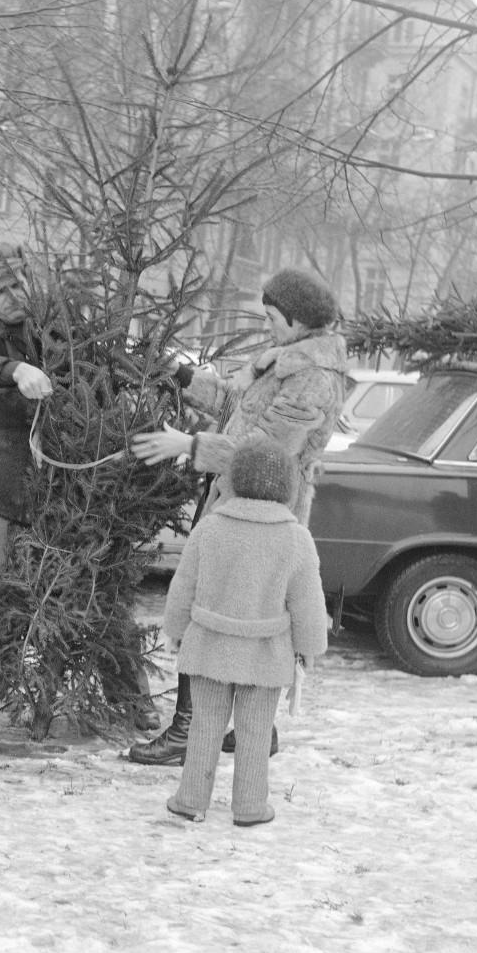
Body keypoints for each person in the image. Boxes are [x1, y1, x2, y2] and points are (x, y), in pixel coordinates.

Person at [127, 267, 347, 766]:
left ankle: (188, 731)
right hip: (237, 497)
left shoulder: (314, 377)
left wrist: (190, 444)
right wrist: (182, 377)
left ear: (296, 320)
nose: (267, 326)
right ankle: (257, 730)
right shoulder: (284, 361)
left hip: (264, 508)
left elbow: (268, 449)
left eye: (272, 317)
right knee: (245, 610)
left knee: (218, 609)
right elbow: (235, 401)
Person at [0, 241, 156, 727]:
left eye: (15, 285)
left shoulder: (60, 323)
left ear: (31, 278)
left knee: (93, 581)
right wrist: (14, 369)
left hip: (69, 475)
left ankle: (130, 693)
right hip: (3, 473)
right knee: (0, 583)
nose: (9, 297)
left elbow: (103, 364)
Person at [159, 440, 329, 826]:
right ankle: (250, 807)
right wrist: (309, 647)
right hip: (266, 654)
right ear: (287, 487)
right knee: (254, 733)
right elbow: (307, 601)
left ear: (235, 479)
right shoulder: (295, 537)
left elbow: (183, 585)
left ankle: (190, 800)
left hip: (209, 647)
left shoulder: (210, 528)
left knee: (204, 726)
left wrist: (175, 628)